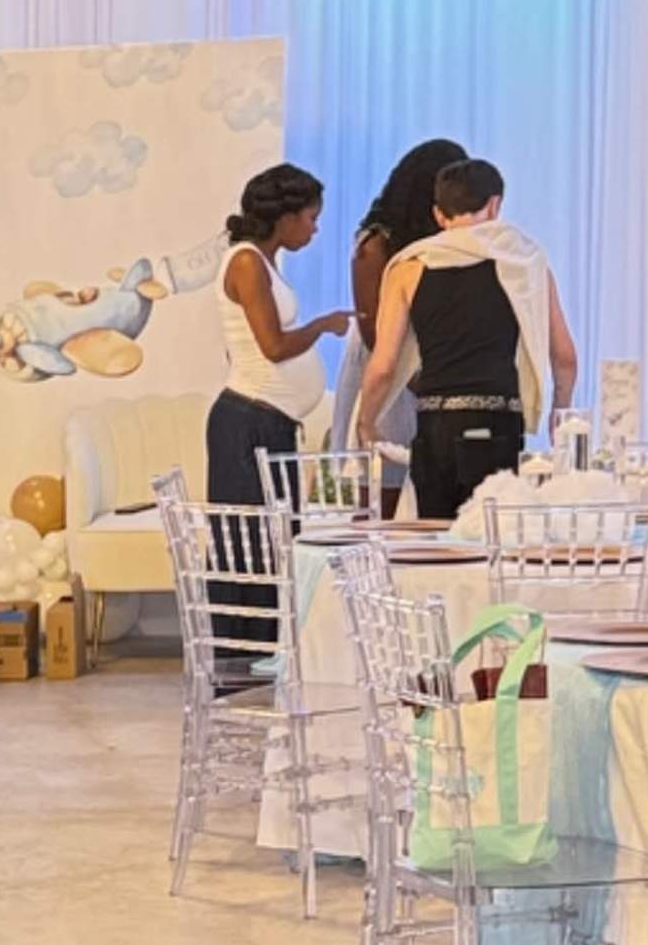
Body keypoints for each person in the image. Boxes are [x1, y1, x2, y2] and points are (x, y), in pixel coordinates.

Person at [351, 155, 577, 525]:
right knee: (491, 543)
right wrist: (560, 410)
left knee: (437, 548)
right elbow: (564, 355)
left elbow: (384, 364)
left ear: (439, 214)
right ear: (494, 205)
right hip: (500, 420)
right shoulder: (525, 264)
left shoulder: (410, 267)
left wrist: (367, 422)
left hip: (437, 423)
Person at [203, 161, 334, 662]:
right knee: (248, 544)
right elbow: (274, 345)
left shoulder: (262, 259)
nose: (314, 228)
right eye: (309, 217)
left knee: (274, 539)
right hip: (247, 422)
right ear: (284, 216)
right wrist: (323, 325)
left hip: (267, 419)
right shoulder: (245, 262)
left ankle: (267, 653)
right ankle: (241, 657)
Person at [337, 136, 464, 445]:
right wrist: (427, 386)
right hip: (386, 365)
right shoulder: (376, 245)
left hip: (427, 365)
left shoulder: (446, 241)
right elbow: (373, 332)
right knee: (383, 473)